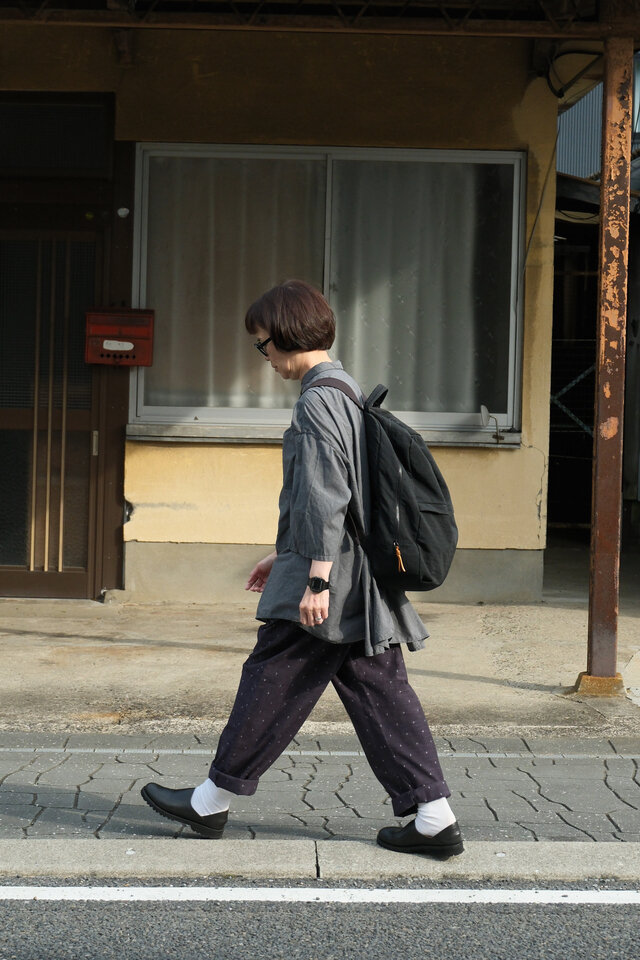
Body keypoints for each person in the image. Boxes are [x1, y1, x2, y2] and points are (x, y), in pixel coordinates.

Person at [142, 279, 463, 858]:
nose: (264, 356)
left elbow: (325, 495)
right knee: (379, 691)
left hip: (332, 578)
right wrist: (285, 552)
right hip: (354, 574)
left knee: (272, 677)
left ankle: (211, 800)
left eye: (263, 343)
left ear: (287, 337)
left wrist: (315, 578)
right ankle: (433, 815)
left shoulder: (316, 401)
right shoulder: (345, 387)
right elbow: (338, 495)